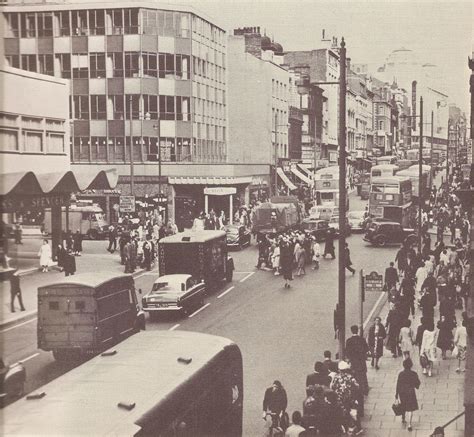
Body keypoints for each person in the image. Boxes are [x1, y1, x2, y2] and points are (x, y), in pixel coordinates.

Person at [395, 358, 420, 432]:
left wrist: (396, 394)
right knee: (410, 408)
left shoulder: (401, 374)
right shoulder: (414, 374)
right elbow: (417, 384)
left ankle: (403, 417)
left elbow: (398, 384)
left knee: (403, 404)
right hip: (410, 392)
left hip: (402, 392)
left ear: (404, 365)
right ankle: (409, 424)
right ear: (411, 365)